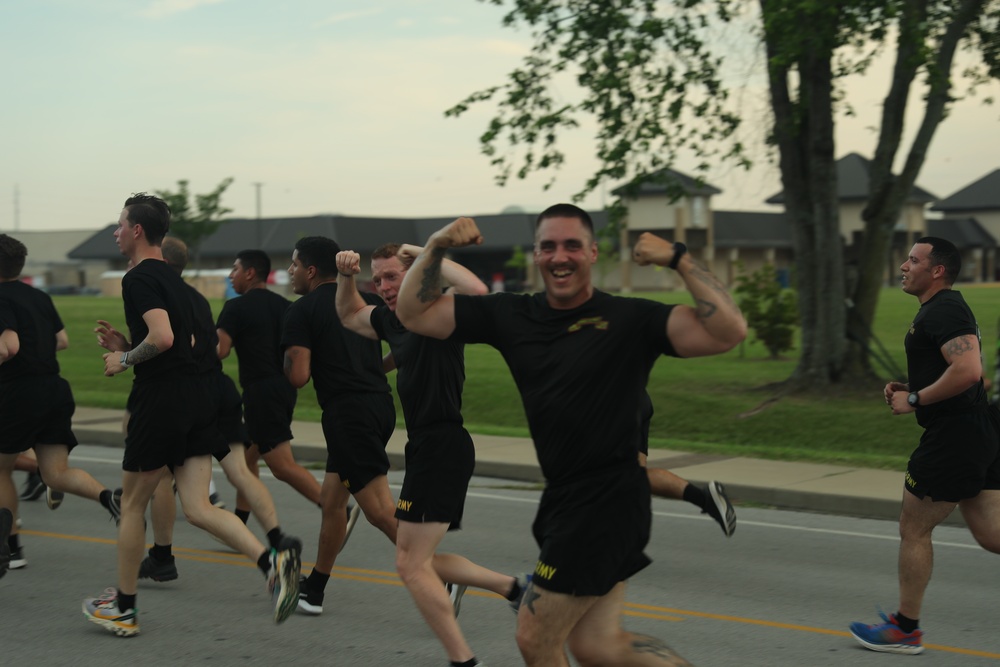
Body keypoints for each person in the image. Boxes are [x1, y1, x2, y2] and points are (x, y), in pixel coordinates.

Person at [396, 206, 747, 666]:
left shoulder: (629, 319)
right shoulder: (512, 315)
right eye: (549, 246)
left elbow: (728, 331)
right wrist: (438, 243)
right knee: (598, 646)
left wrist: (679, 258)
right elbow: (414, 313)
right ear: (537, 255)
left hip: (606, 503)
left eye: (572, 245)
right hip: (565, 501)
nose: (559, 256)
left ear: (593, 253)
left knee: (534, 636)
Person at [82, 194, 300, 637]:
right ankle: (272, 564)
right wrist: (128, 345)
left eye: (120, 225)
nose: (116, 232)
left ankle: (123, 608)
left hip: (163, 403)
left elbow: (161, 340)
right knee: (198, 507)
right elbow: (183, 349)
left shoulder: (138, 278)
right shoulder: (188, 291)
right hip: (203, 399)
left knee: (132, 506)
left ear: (138, 230)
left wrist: (123, 362)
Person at [336, 242, 522, 666]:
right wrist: (347, 277)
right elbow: (349, 315)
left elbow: (479, 294)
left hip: (444, 444)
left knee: (409, 564)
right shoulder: (395, 320)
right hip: (423, 446)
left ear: (416, 276)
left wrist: (429, 254)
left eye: (392, 277)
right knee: (415, 555)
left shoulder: (440, 310)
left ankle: (463, 659)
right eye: (377, 278)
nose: (382, 286)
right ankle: (515, 588)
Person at [850, 237, 1000, 656]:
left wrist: (914, 400)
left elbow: (969, 371)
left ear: (937, 271)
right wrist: (915, 385)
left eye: (913, 260)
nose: (903, 266)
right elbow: (964, 373)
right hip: (975, 430)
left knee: (913, 528)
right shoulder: (940, 310)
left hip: (955, 437)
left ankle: (905, 630)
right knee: (992, 534)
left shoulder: (946, 308)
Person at [281, 236, 398, 615]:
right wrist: (372, 369)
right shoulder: (369, 302)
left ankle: (441, 574)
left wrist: (281, 360)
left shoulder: (302, 311)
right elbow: (406, 339)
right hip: (380, 407)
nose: (289, 271)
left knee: (381, 512)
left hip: (348, 417)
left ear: (311, 270)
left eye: (294, 265)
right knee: (333, 503)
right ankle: (315, 589)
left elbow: (298, 376)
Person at [0, 233, 122, 572]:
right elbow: (62, 341)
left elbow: (7, 347)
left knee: (1, 469)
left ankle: (12, 549)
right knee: (56, 473)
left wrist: (17, 357)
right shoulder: (39, 296)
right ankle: (108, 497)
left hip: (18, 393)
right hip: (54, 389)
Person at [215, 250, 337, 527]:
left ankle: (334, 507)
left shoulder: (235, 307)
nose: (231, 275)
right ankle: (240, 521)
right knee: (248, 459)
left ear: (250, 273)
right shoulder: (286, 306)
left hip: (261, 393)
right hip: (285, 389)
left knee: (281, 466)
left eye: (235, 269)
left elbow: (220, 350)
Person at [638, 393, 736, 537]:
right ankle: (704, 499)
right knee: (635, 476)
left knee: (609, 473)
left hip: (612, 401)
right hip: (638, 398)